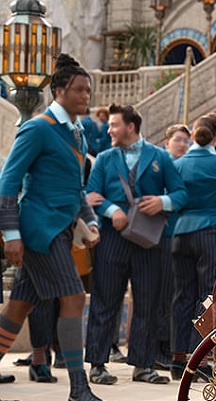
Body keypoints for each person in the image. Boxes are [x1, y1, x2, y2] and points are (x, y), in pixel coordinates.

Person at [0, 53, 102, 401]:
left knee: (18, 307)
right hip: (39, 230)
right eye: (78, 89)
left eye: (87, 90)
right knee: (73, 297)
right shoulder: (37, 128)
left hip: (61, 229)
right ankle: (78, 388)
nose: (85, 95)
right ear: (58, 90)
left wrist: (90, 220)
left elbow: (76, 189)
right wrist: (11, 234)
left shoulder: (77, 132)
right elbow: (8, 182)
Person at [84, 104, 188, 386]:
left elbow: (181, 193)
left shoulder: (159, 156)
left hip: (150, 240)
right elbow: (90, 194)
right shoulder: (104, 158)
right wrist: (111, 210)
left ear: (130, 127)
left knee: (148, 302)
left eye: (114, 125)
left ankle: (143, 365)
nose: (109, 130)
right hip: (112, 238)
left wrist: (162, 202)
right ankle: (97, 364)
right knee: (105, 300)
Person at [170, 113, 216, 380]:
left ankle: (177, 358)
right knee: (208, 294)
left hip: (180, 234)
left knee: (181, 295)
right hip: (210, 230)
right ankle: (201, 358)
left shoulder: (178, 164)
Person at [153, 123, 192, 370]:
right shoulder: (161, 166)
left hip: (183, 236)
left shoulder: (185, 166)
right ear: (166, 142)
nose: (183, 144)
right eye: (178, 139)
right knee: (164, 293)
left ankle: (169, 345)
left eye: (186, 141)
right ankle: (159, 348)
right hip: (164, 235)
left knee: (176, 293)